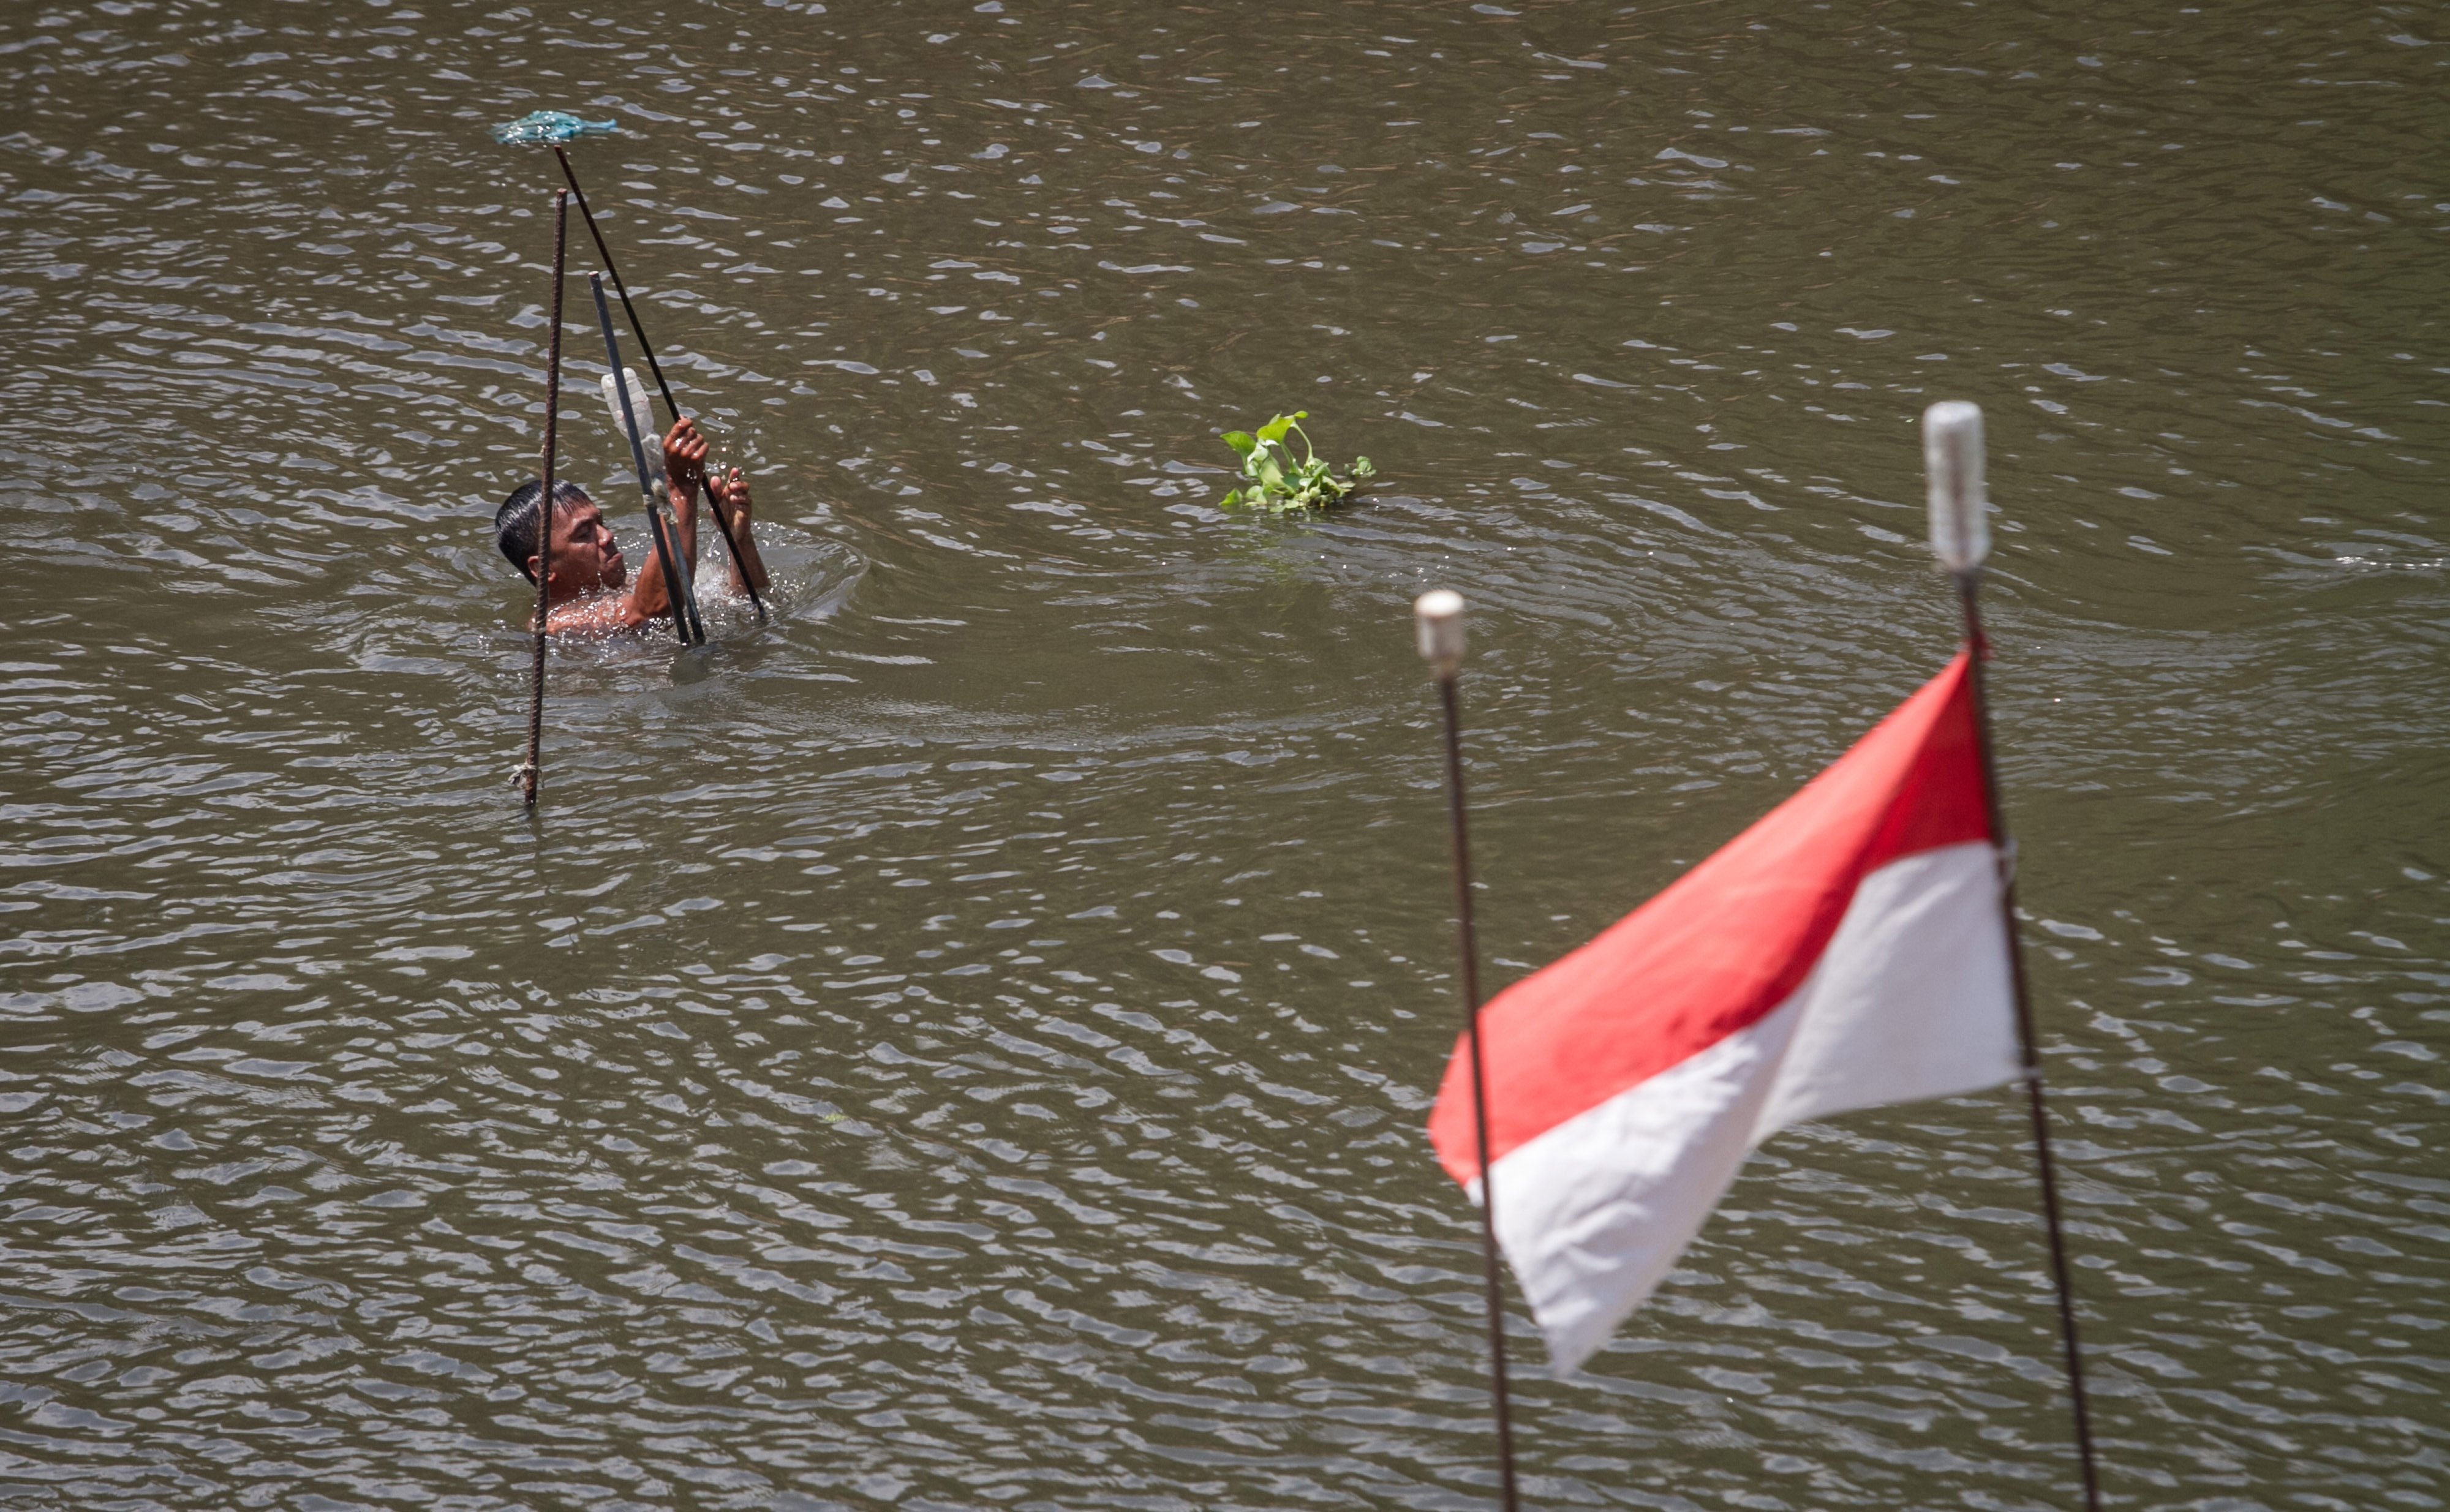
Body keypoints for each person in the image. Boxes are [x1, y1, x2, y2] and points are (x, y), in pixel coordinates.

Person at [494, 416, 769, 634]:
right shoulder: (557, 625)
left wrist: (738, 542)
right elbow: (653, 609)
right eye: (584, 534)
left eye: (600, 523)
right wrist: (680, 490)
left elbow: (750, 607)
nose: (607, 536)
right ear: (542, 568)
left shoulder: (630, 582)